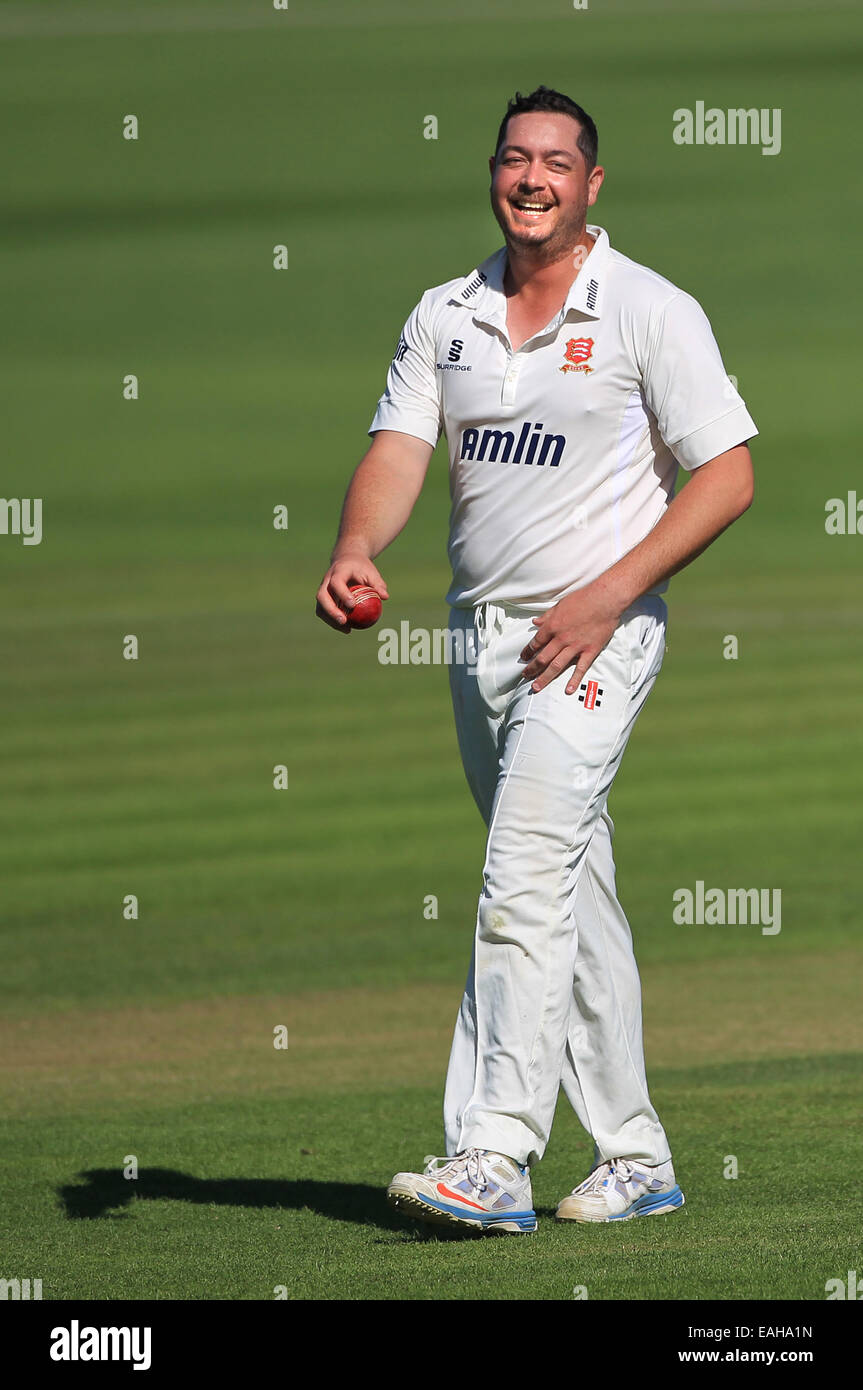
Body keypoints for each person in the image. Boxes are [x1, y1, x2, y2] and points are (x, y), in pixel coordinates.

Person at [315, 86, 756, 1234]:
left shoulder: (647, 310)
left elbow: (726, 475)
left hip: (598, 637)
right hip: (481, 636)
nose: (531, 180)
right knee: (572, 890)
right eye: (514, 160)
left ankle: (493, 1151)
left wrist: (608, 597)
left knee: (519, 880)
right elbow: (399, 448)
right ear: (494, 175)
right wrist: (358, 546)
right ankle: (635, 1155)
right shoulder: (444, 314)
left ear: (590, 184)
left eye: (555, 163)